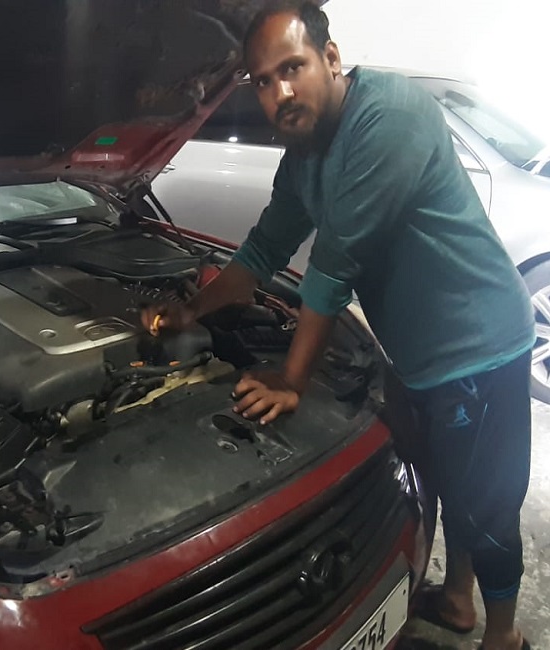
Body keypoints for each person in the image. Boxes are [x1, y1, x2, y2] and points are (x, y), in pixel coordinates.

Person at [141, 2, 534, 649]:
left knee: (485, 506)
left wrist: (293, 379)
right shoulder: (304, 158)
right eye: (263, 81)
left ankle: (504, 636)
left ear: (330, 58)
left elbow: (333, 267)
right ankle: (459, 601)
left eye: (292, 68)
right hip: (416, 351)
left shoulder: (389, 116)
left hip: (477, 344)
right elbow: (261, 254)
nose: (279, 93)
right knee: (445, 477)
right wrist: (190, 312)